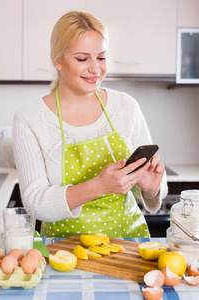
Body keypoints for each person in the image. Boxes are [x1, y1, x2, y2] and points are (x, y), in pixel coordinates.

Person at [13, 11, 168, 238]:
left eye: (102, 57)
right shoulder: (30, 119)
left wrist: (151, 187)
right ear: (58, 60)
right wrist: (99, 186)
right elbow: (34, 203)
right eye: (82, 59)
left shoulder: (126, 107)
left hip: (129, 246)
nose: (96, 69)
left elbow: (152, 193)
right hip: (63, 253)